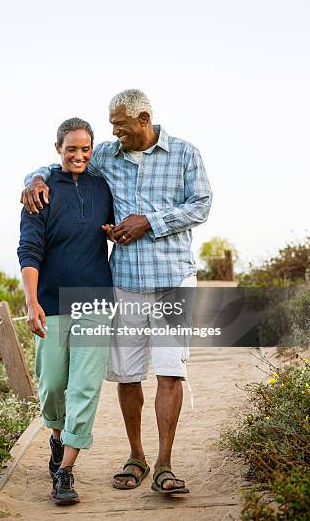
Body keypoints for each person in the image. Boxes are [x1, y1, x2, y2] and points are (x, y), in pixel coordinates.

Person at [21, 89, 212, 496]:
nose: (114, 133)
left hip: (173, 279)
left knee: (169, 371)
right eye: (111, 126)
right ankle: (136, 456)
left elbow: (202, 204)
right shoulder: (108, 155)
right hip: (122, 282)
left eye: (120, 125)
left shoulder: (184, 153)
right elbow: (65, 159)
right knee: (127, 377)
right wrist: (32, 179)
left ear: (143, 118)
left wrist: (150, 221)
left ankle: (164, 464)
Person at [17, 117, 114, 506]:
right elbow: (29, 248)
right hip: (53, 301)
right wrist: (31, 300)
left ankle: (66, 471)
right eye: (71, 148)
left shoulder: (104, 186)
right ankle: (57, 439)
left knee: (86, 387)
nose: (79, 155)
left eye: (85, 148)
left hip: (96, 300)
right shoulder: (39, 191)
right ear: (58, 148)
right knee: (53, 384)